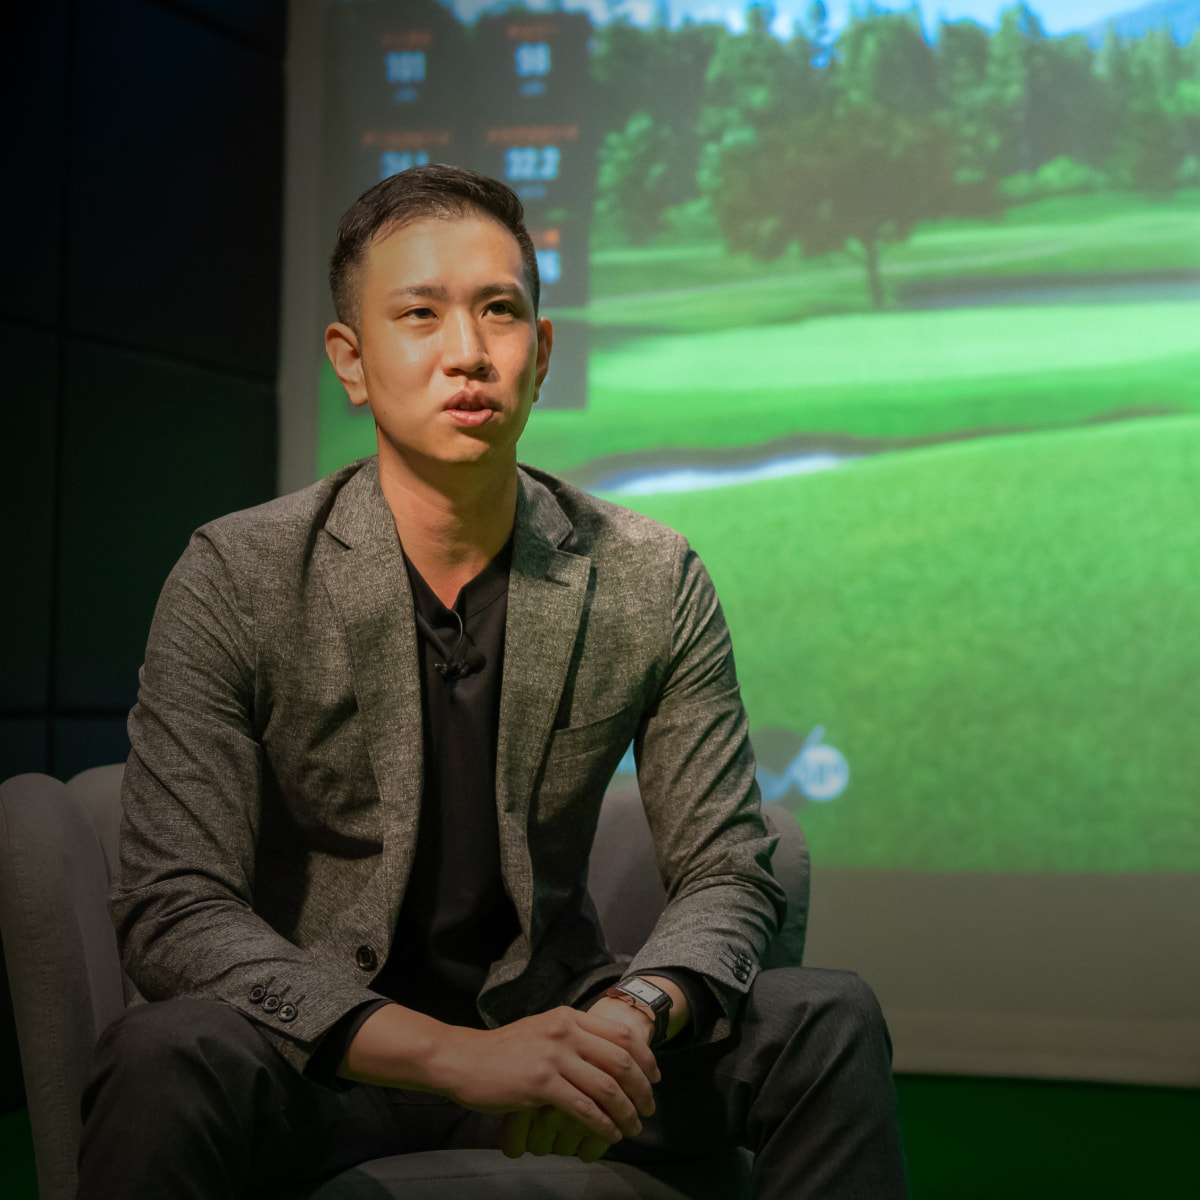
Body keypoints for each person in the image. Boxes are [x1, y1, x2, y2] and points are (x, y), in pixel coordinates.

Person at [76, 165, 908, 1198]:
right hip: (325, 1061)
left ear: (541, 353)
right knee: (159, 1055)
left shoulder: (649, 575)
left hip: (567, 1035)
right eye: (419, 314)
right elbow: (174, 907)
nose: (467, 351)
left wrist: (631, 1017)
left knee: (826, 1017)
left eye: (499, 312)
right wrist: (453, 1056)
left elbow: (731, 869)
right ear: (351, 360)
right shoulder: (237, 575)